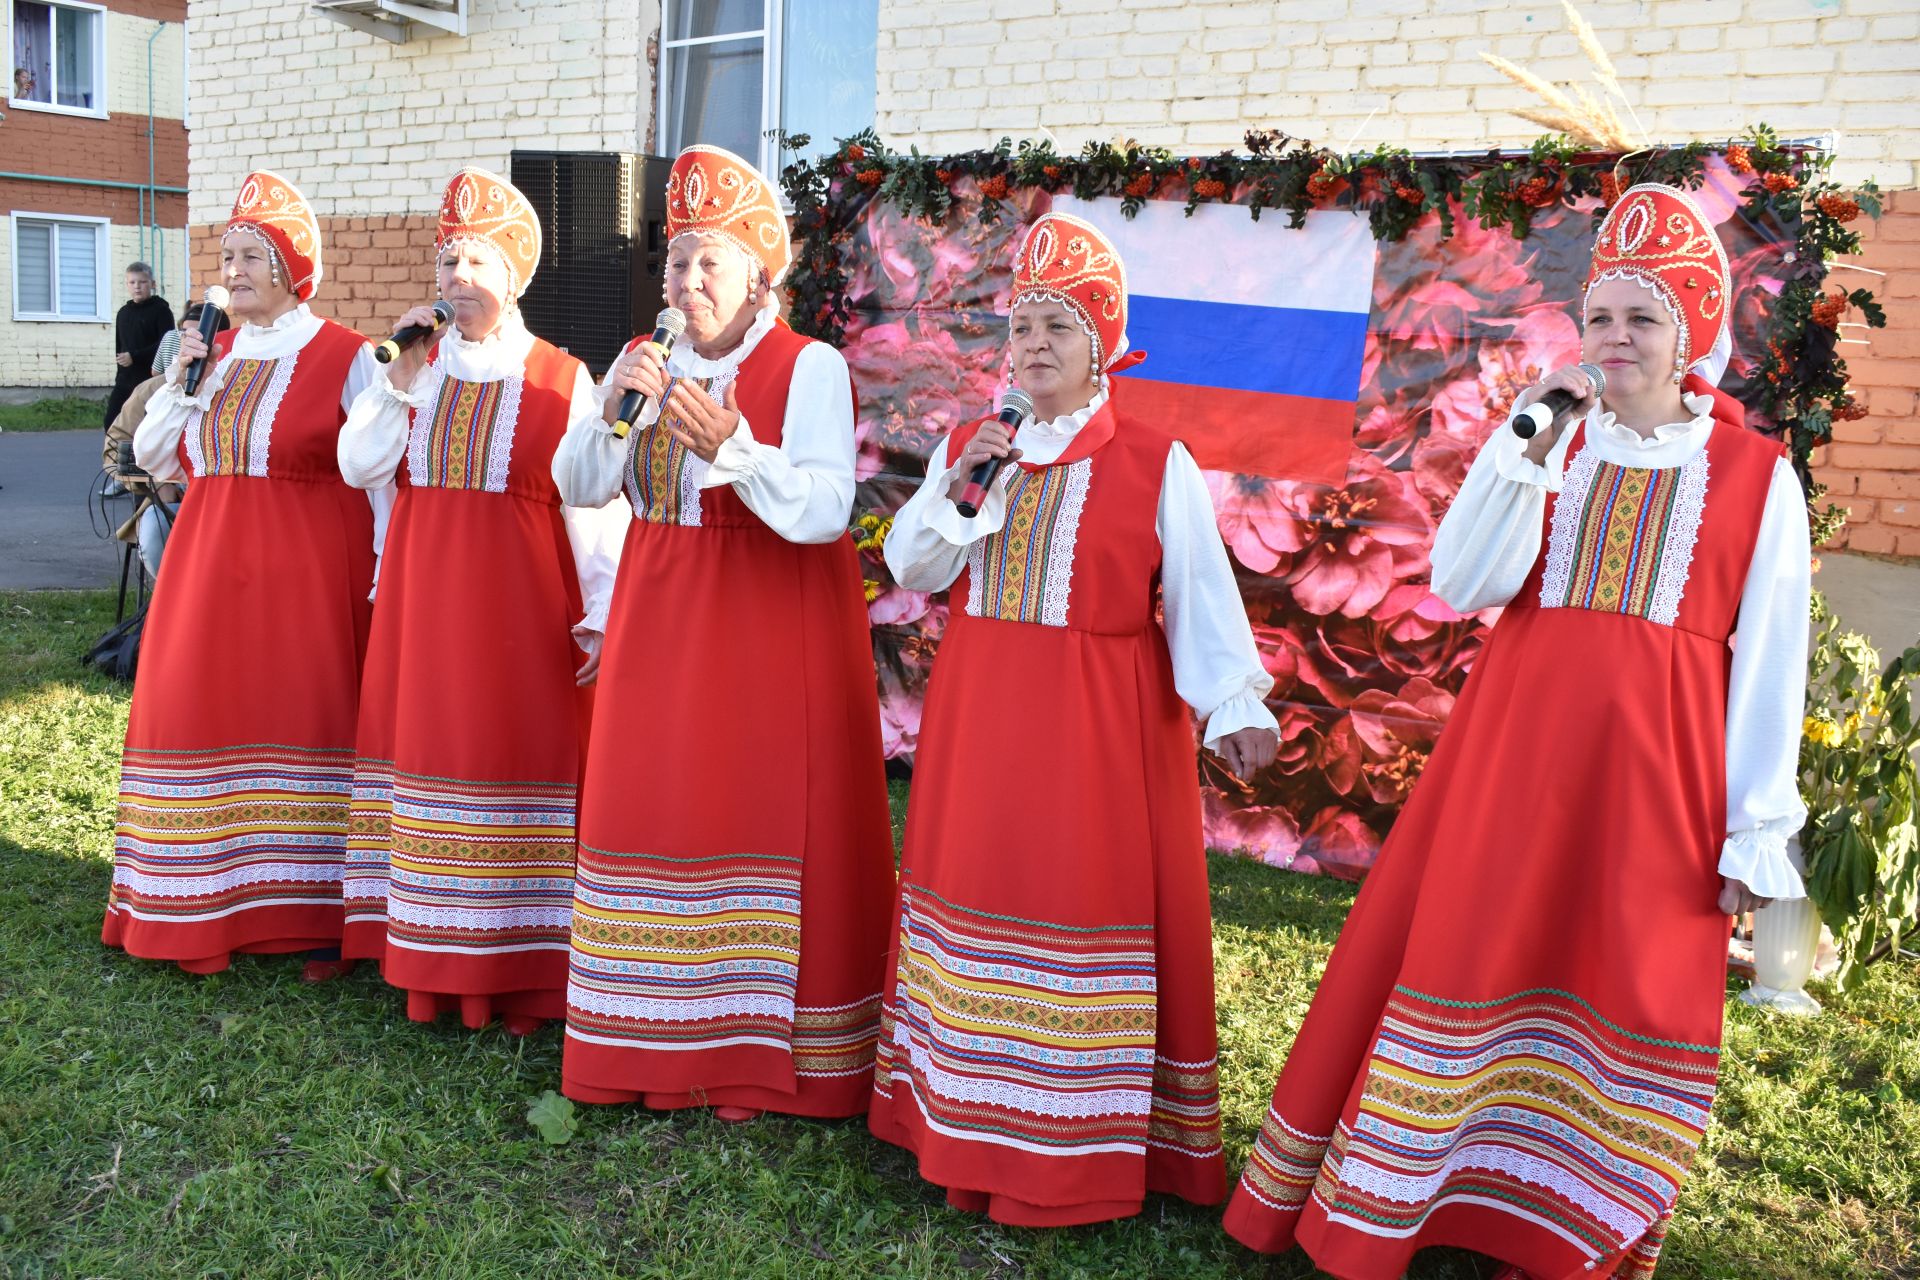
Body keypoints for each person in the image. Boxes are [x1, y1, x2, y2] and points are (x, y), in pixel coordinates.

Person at [1222, 183, 1811, 1280]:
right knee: (1479, 959)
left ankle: (1568, 1222)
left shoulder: (1756, 478)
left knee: (1617, 975)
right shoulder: (1551, 448)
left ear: (1689, 334)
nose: (1617, 337)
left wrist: (1754, 827)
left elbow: (1774, 661)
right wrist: (1519, 445)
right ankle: (1434, 1197)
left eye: (1644, 317)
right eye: (1599, 317)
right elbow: (1461, 580)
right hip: (1512, 764)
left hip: (1656, 783)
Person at [868, 211, 1281, 1226]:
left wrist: (1233, 698)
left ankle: (1068, 1144)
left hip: (1098, 728)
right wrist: (971, 487)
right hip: (981, 715)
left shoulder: (1153, 458)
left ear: (1103, 345)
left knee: (1072, 905)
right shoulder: (977, 448)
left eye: (1060, 325)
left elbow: (1196, 589)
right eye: (1022, 327)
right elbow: (912, 568)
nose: (1037, 344)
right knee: (976, 891)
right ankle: (962, 1117)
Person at [550, 144, 895, 1120]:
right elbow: (578, 486)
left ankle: (753, 1060)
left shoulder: (808, 365)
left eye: (709, 261)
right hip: (658, 624)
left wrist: (734, 447)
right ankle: (648, 1038)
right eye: (674, 260)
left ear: (757, 274)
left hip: (765, 629)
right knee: (653, 813)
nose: (686, 279)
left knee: (750, 816)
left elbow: (828, 507)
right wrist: (614, 407)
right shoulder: (642, 369)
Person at [335, 167, 626, 1036]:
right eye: (449, 259)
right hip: (426, 602)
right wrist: (396, 384)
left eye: (476, 261)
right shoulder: (407, 371)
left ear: (514, 277)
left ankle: (517, 960)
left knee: (507, 759)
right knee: (429, 757)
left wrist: (602, 609)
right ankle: (427, 956)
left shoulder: (561, 376)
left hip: (520, 605)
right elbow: (360, 469)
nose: (457, 276)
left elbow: (592, 504)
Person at [103, 170, 391, 979]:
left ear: (292, 268)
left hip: (309, 575)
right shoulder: (212, 356)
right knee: (198, 715)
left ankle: (305, 909)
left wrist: (384, 575)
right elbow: (155, 456)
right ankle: (196, 896)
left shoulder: (346, 355)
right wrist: (183, 379)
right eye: (226, 256)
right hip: (207, 568)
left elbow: (379, 481)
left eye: (251, 256)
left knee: (305, 720)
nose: (233, 271)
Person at [103, 305, 228, 579]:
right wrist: (158, 483)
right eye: (186, 335)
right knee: (155, 529)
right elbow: (115, 447)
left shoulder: (237, 387)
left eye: (202, 336)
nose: (193, 343)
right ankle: (169, 605)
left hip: (226, 507)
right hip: (168, 506)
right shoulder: (152, 389)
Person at [106, 262, 174, 431]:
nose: (137, 286)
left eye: (142, 282)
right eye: (132, 282)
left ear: (152, 284)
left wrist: (135, 356)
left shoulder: (161, 311)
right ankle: (119, 456)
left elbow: (164, 344)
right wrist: (121, 371)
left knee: (145, 424)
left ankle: (141, 457)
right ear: (127, 284)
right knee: (111, 420)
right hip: (125, 379)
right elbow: (120, 347)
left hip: (150, 378)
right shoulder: (123, 313)